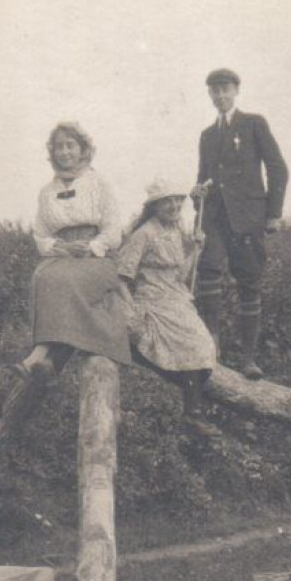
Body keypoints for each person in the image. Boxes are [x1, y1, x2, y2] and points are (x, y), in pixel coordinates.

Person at [192, 67, 288, 380]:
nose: (220, 95)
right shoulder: (207, 135)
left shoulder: (253, 124)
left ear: (236, 91)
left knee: (249, 282)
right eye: (215, 91)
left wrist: (273, 213)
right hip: (215, 218)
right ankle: (212, 345)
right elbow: (203, 178)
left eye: (225, 89)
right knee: (207, 271)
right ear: (209, 95)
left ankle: (249, 359)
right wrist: (197, 196)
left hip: (248, 218)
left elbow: (278, 169)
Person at [22, 122, 133, 376]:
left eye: (70, 145)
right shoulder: (47, 192)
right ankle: (46, 357)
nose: (64, 152)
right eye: (59, 147)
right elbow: (40, 235)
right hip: (63, 255)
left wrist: (92, 246)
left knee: (63, 278)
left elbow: (113, 231)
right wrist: (58, 247)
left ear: (83, 149)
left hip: (96, 258)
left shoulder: (98, 183)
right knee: (42, 275)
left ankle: (44, 352)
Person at [116, 179, 220, 437]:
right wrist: (132, 316)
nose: (174, 205)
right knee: (192, 347)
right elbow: (121, 277)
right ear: (154, 206)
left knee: (205, 346)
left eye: (177, 200)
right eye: (167, 201)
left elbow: (180, 275)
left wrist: (195, 250)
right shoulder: (143, 234)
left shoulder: (175, 231)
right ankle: (193, 414)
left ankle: (191, 410)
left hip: (177, 299)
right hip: (153, 301)